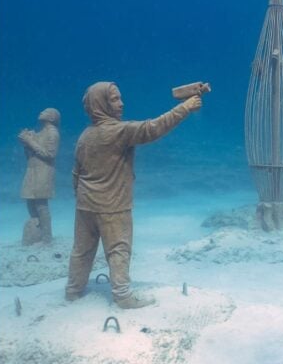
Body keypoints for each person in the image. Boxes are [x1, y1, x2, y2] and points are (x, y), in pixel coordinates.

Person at [65, 82, 202, 309]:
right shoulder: (119, 131)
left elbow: (75, 173)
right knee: (119, 250)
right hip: (113, 206)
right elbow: (153, 128)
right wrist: (185, 107)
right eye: (115, 99)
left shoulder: (85, 135)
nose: (121, 103)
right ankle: (123, 296)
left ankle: (73, 291)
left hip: (85, 206)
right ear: (101, 104)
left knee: (81, 251)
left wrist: (83, 198)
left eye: (120, 98)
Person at [19, 108, 61, 245]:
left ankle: (47, 238)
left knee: (41, 204)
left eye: (46, 111)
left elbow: (50, 154)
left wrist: (30, 141)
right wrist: (27, 142)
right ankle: (37, 234)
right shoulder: (40, 133)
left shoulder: (52, 133)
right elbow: (30, 155)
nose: (41, 112)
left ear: (52, 118)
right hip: (32, 170)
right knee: (30, 201)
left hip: (44, 171)